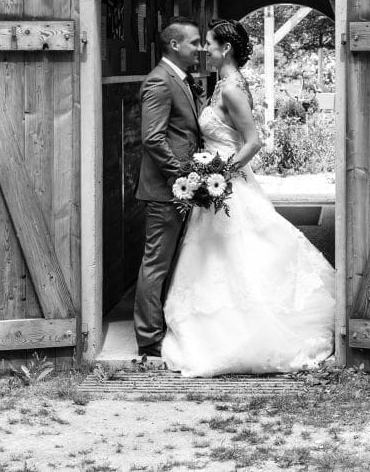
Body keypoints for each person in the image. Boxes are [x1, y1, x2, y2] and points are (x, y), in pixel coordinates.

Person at [161, 19, 335, 377]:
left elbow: (253, 141)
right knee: (216, 259)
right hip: (214, 186)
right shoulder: (222, 84)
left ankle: (250, 332)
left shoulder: (233, 89)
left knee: (241, 256)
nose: (204, 50)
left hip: (229, 185)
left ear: (224, 49)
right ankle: (215, 331)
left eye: (208, 44)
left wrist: (220, 175)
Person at [134, 20, 204, 358]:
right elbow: (153, 138)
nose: (200, 48)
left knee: (171, 261)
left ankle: (163, 323)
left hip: (178, 188)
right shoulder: (160, 82)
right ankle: (149, 338)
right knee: (156, 263)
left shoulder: (179, 79)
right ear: (175, 44)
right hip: (165, 190)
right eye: (194, 42)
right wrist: (182, 178)